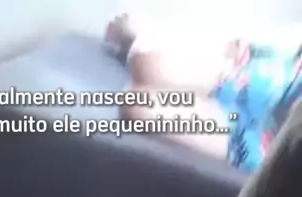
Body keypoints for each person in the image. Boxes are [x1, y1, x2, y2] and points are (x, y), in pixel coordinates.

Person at [105, 14, 302, 171]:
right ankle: (136, 40)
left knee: (136, 102)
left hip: (268, 145)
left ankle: (140, 42)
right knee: (144, 58)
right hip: (275, 76)